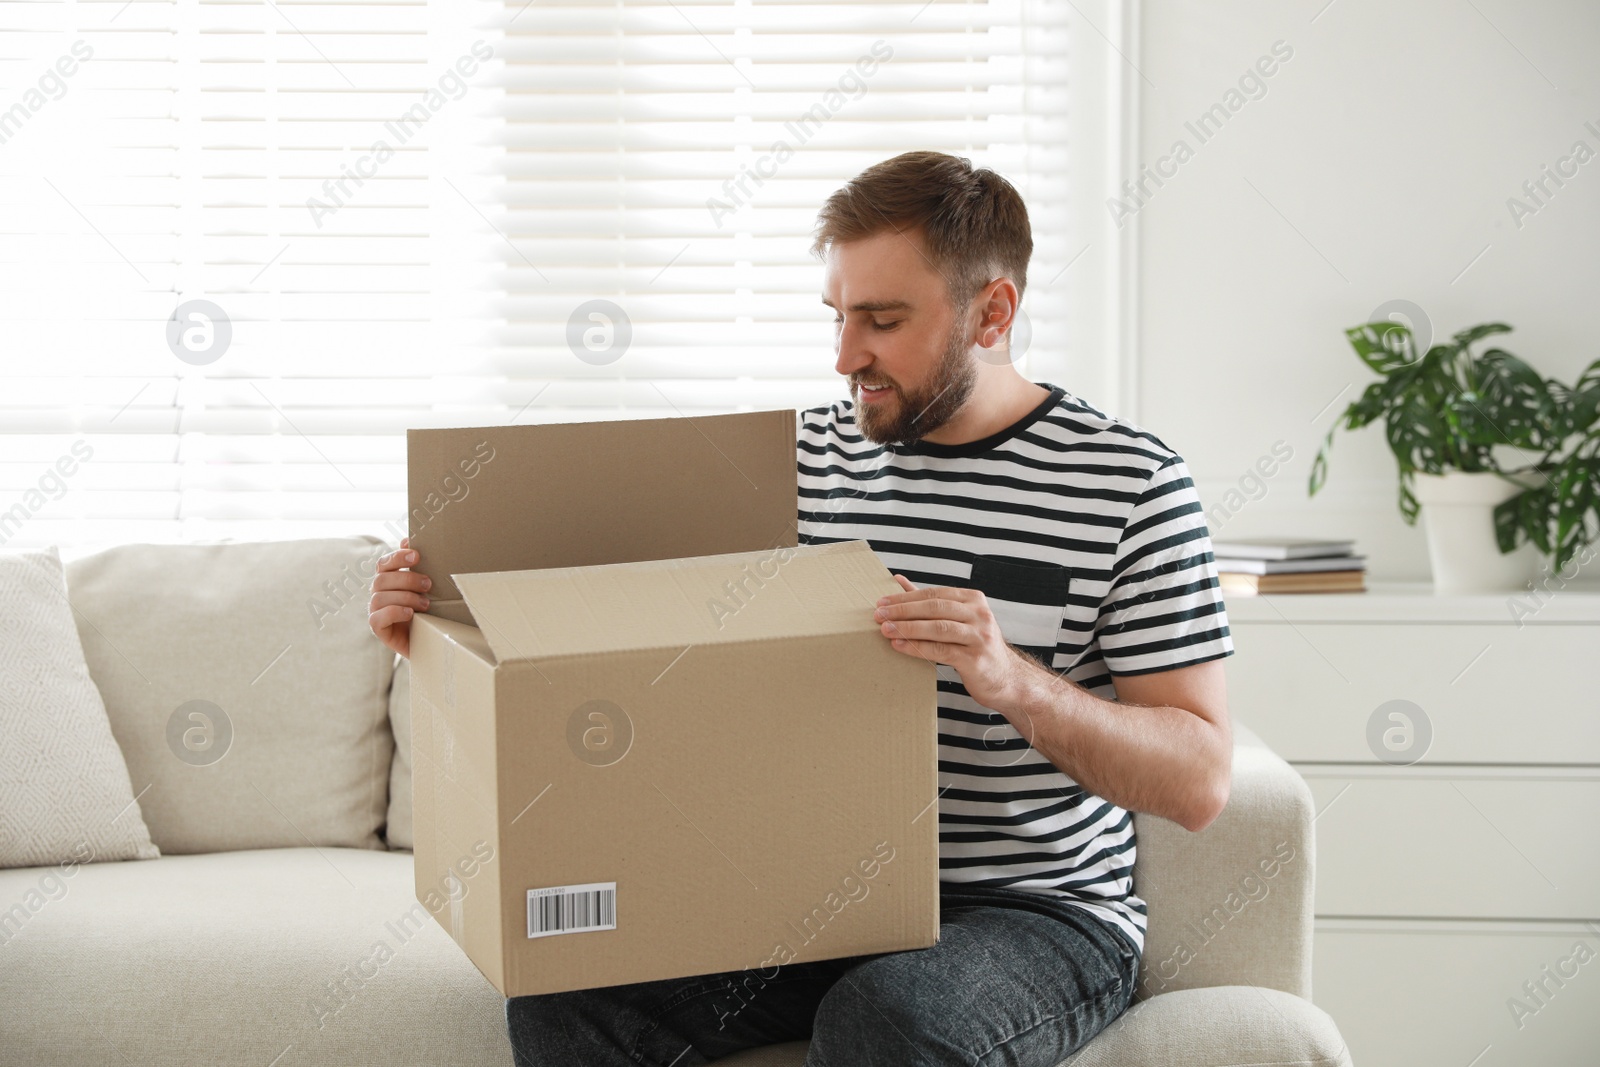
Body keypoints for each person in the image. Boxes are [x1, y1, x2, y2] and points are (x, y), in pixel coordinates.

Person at [368, 150, 1234, 1067]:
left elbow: (1199, 779)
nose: (844, 356)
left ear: (993, 312)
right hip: (808, 891)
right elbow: (637, 641)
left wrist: (1012, 680)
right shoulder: (796, 461)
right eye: (838, 315)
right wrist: (436, 622)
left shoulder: (1130, 484)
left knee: (887, 1018)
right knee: (569, 986)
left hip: (1033, 912)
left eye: (883, 320)